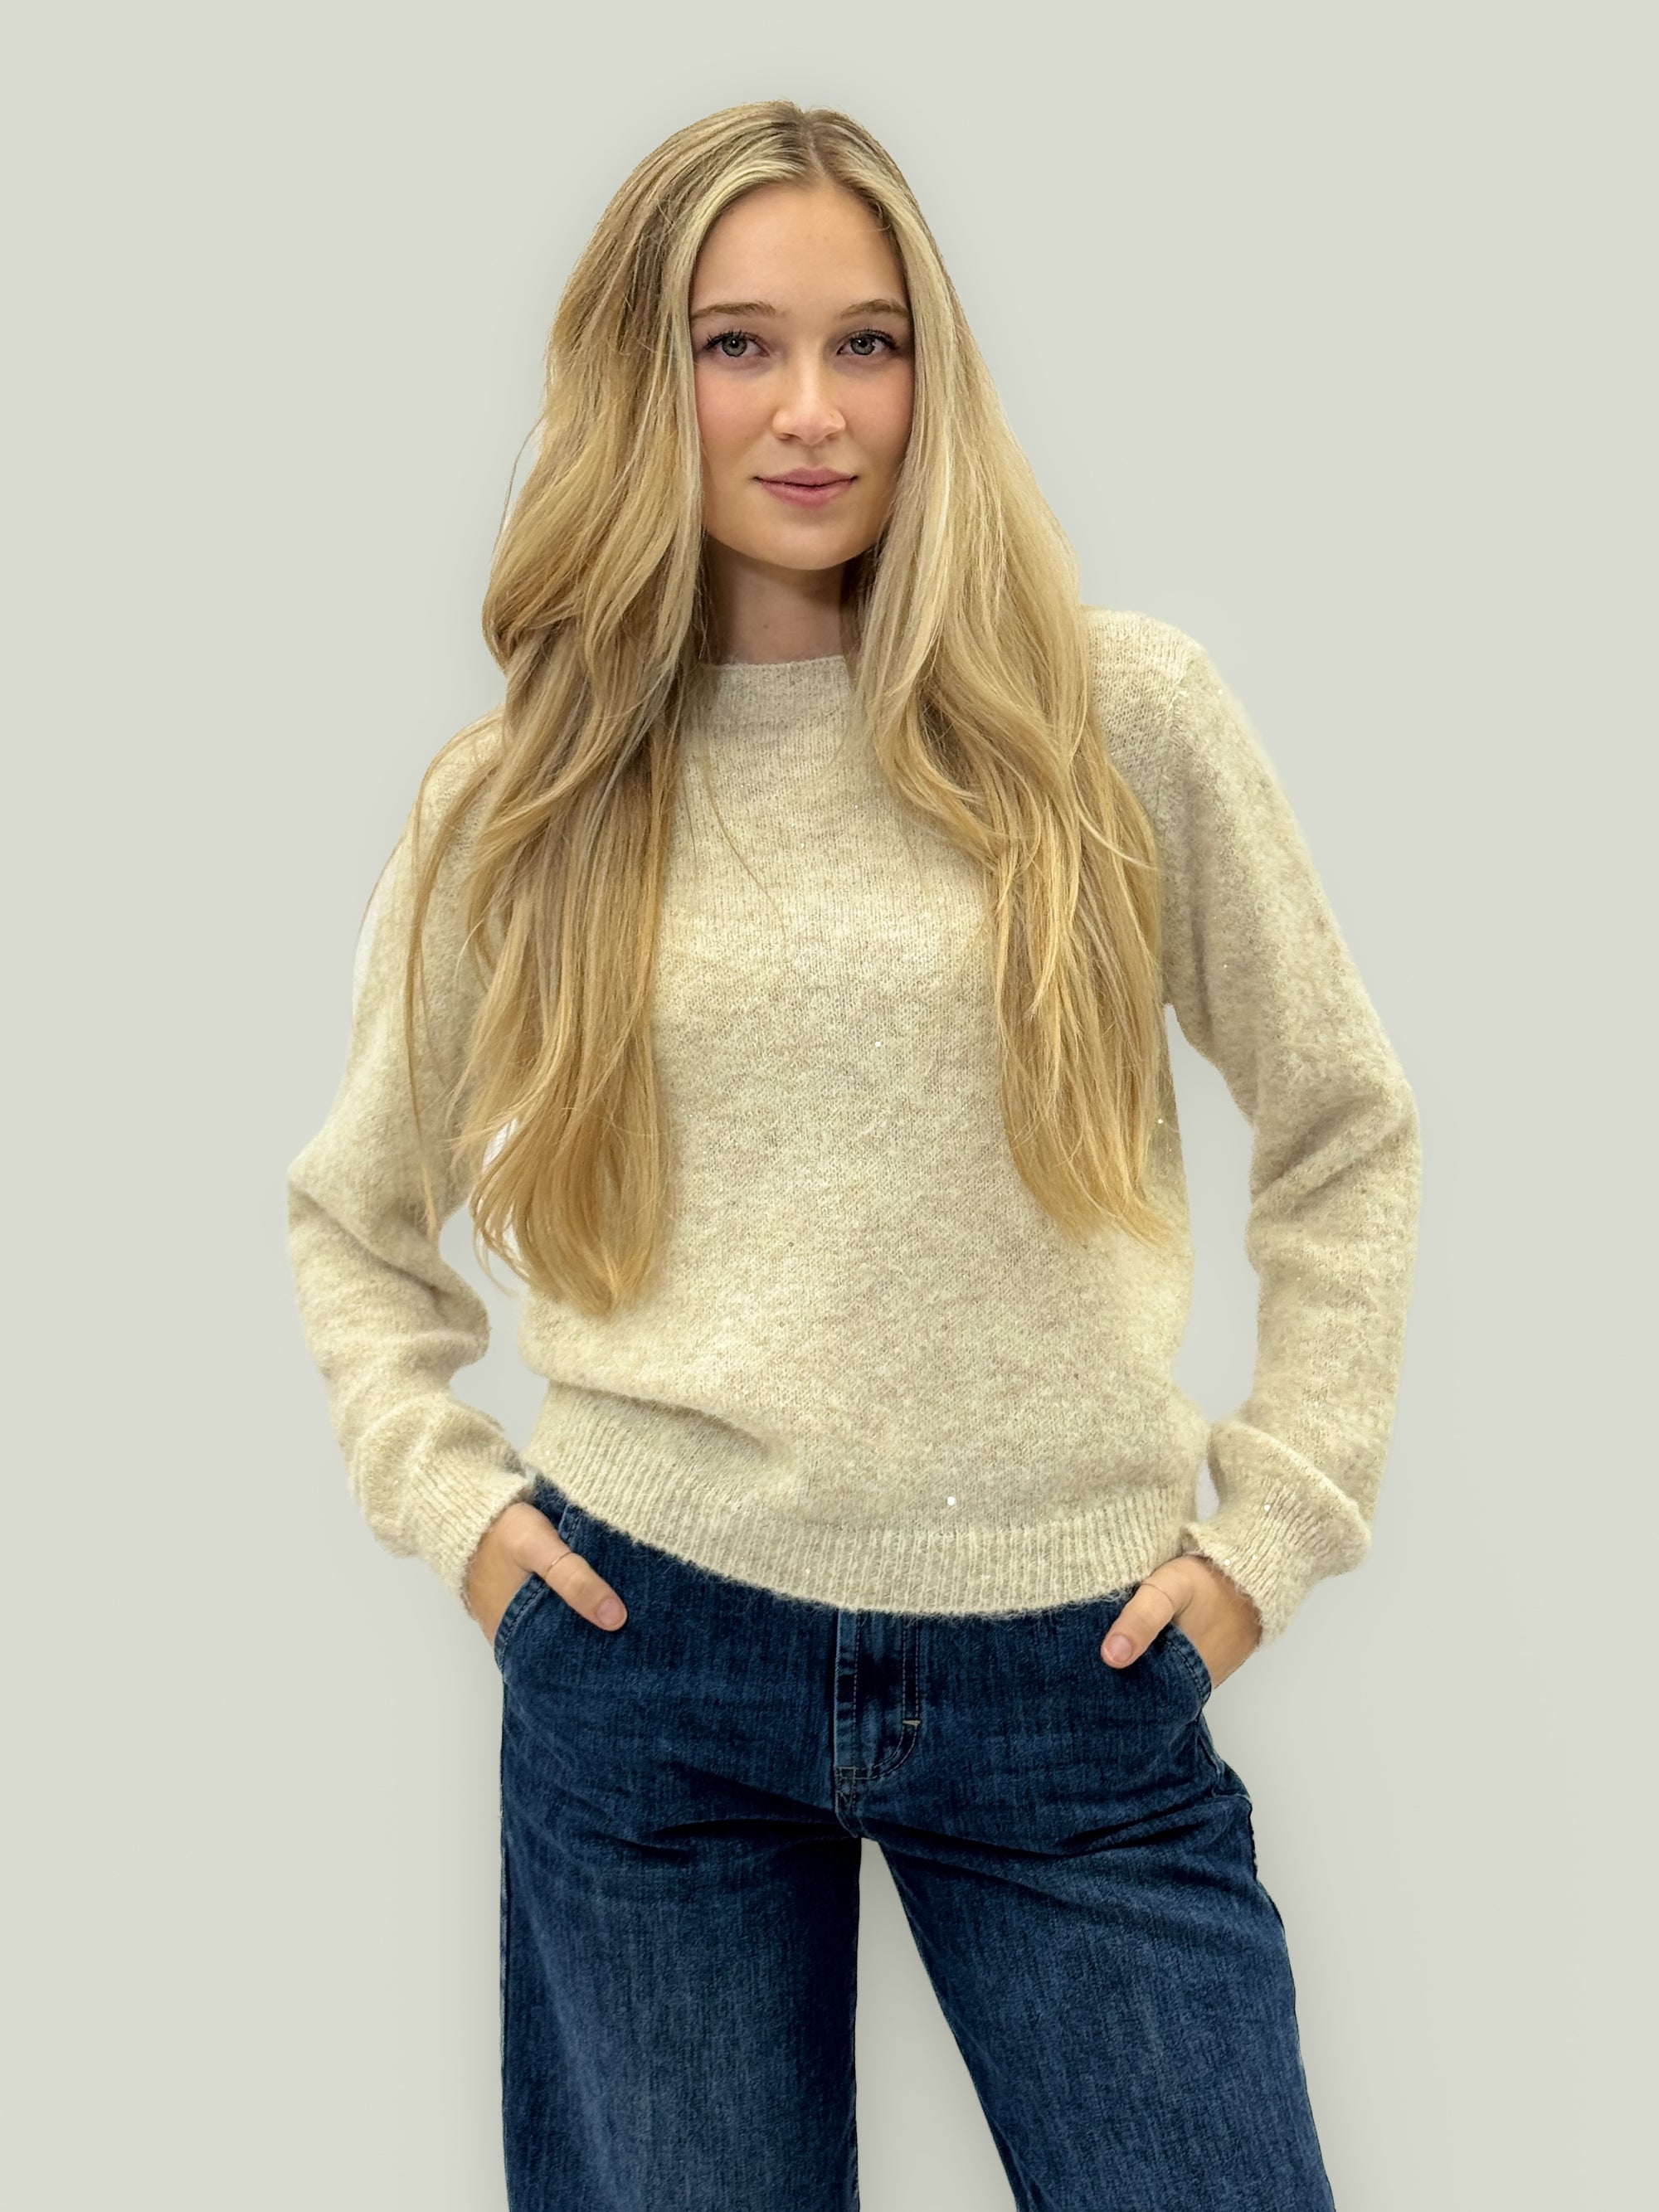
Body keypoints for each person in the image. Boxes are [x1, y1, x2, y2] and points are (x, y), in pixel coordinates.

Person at [286, 98, 1421, 2212]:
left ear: (931, 373)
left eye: (866, 343)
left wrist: (1276, 1527)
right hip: (650, 1653)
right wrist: (459, 1513)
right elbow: (357, 1221)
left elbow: (1345, 1124)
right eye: (738, 343)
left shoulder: (1115, 720)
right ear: (644, 378)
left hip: (1075, 1665)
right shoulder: (522, 797)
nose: (811, 408)